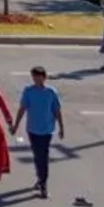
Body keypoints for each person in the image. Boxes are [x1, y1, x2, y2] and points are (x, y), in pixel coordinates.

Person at [9, 66, 63, 199]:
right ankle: (40, 178)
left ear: (44, 78)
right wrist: (16, 125)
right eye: (34, 77)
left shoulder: (51, 92)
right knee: (37, 155)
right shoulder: (28, 91)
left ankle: (43, 183)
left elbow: (56, 110)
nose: (36, 80)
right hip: (32, 129)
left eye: (38, 77)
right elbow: (22, 109)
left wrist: (61, 127)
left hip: (47, 130)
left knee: (43, 156)